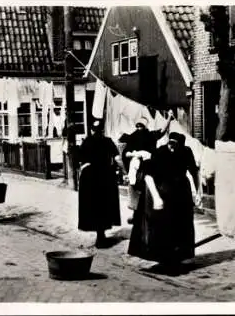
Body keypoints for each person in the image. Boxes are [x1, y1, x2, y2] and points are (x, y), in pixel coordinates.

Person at [128, 132, 199, 275]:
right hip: (163, 191)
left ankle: (176, 259)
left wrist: (198, 193)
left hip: (181, 193)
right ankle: (165, 261)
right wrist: (156, 197)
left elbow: (194, 171)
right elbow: (148, 175)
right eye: (170, 143)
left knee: (182, 226)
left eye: (175, 145)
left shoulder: (186, 152)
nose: (172, 147)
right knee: (164, 227)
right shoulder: (160, 153)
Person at [119, 115, 172, 222]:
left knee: (151, 189)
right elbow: (126, 153)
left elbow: (162, 130)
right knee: (135, 190)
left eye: (141, 126)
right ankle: (136, 214)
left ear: (145, 126)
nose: (139, 128)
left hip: (149, 166)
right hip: (137, 168)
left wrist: (169, 118)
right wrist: (136, 154)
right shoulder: (133, 137)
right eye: (137, 126)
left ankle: (152, 213)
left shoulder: (151, 135)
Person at [78, 120, 122, 248]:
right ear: (102, 130)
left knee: (93, 205)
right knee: (104, 205)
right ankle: (101, 235)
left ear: (92, 130)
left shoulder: (87, 141)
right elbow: (117, 158)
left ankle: (100, 235)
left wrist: (84, 165)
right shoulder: (107, 141)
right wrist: (124, 171)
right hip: (105, 176)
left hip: (90, 177)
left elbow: (80, 158)